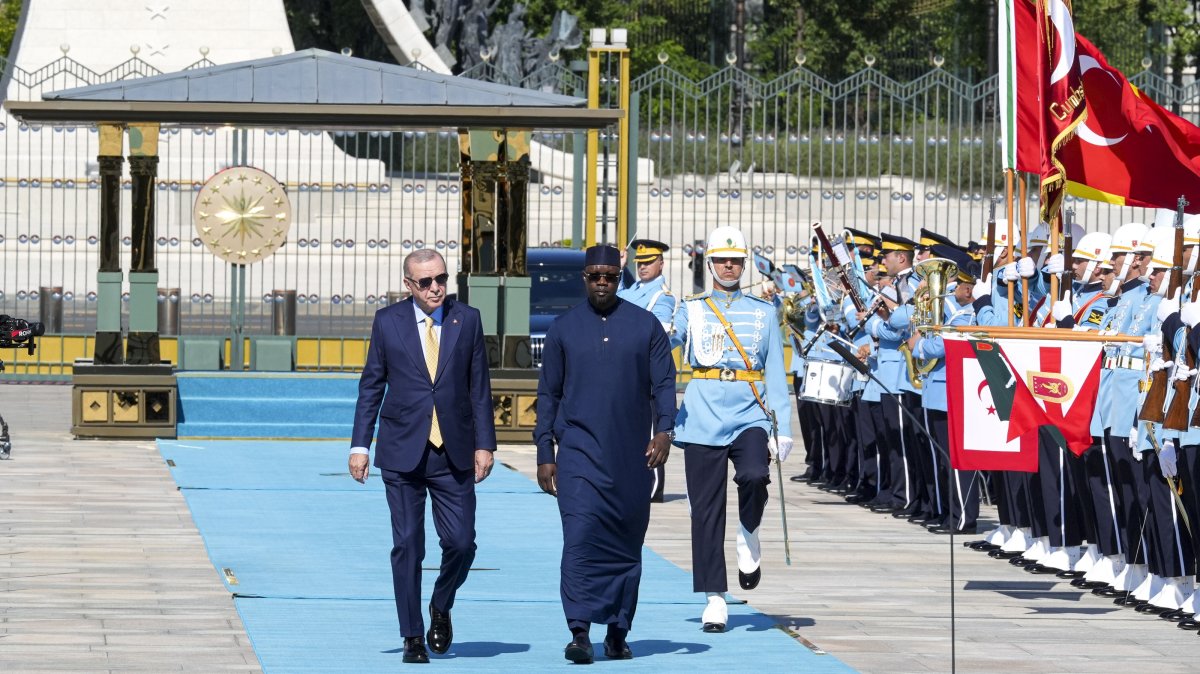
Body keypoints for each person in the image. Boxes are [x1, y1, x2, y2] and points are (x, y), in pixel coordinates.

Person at [349, 248, 497, 664]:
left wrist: (485, 443)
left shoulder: (466, 319)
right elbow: (372, 385)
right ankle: (412, 635)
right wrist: (361, 444)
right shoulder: (387, 322)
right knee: (408, 545)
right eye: (426, 282)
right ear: (408, 285)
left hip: (454, 452)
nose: (436, 288)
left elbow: (479, 386)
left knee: (462, 543)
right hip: (402, 452)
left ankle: (441, 602)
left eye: (442, 279)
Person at [534, 244, 677, 664]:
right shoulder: (563, 329)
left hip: (631, 458)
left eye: (610, 277)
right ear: (585, 278)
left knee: (625, 545)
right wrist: (545, 450)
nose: (602, 283)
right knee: (578, 541)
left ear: (619, 278)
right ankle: (579, 631)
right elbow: (549, 395)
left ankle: (618, 630)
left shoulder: (646, 326)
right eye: (595, 275)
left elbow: (664, 384)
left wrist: (664, 431)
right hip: (578, 455)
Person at [670, 225, 793, 633]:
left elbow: (775, 370)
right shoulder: (692, 308)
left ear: (743, 264)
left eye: (735, 260)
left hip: (750, 411)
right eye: (722, 260)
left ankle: (749, 529)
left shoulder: (762, 311)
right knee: (705, 511)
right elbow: (667, 339)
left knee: (756, 475)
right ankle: (714, 597)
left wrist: (783, 425)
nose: (728, 266)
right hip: (702, 411)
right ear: (710, 264)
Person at [618, 238, 680, 502]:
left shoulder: (661, 296)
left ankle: (653, 488)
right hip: (625, 371)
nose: (642, 267)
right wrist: (620, 269)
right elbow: (617, 299)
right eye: (639, 262)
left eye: (648, 262)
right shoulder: (633, 289)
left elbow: (659, 337)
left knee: (651, 433)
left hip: (647, 373)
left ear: (661, 263)